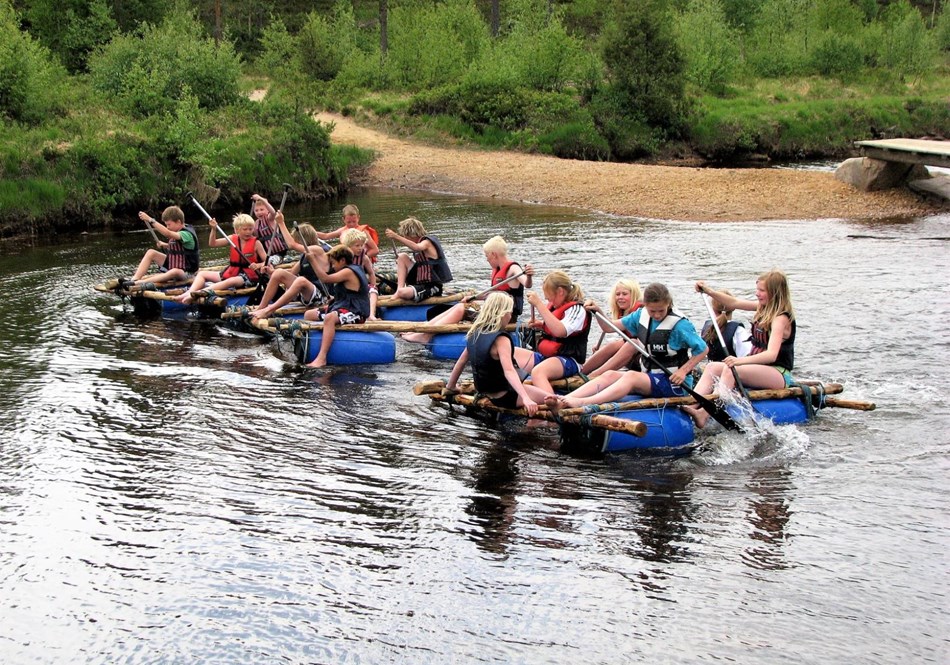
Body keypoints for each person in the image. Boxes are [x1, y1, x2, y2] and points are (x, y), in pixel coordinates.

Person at [545, 283, 708, 412]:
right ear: (646, 306)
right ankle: (564, 400)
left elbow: (702, 349)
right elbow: (609, 327)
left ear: (669, 304)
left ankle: (582, 402)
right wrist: (598, 312)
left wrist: (683, 371)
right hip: (651, 377)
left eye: (661, 310)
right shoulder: (641, 314)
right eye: (653, 311)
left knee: (630, 377)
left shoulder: (680, 325)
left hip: (674, 384)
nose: (657, 315)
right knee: (609, 375)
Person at [683, 271, 797, 428]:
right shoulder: (762, 308)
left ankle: (704, 414)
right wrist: (708, 291)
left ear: (775, 292)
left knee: (731, 369)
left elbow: (771, 355)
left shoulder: (780, 319)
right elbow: (733, 303)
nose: (757, 294)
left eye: (762, 291)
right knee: (712, 367)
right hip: (759, 369)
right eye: (757, 289)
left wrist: (740, 361)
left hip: (778, 373)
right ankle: (691, 403)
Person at [401, 235, 533, 344]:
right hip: (493, 312)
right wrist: (474, 298)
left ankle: (426, 336)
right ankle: (424, 328)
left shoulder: (513, 269)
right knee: (461, 304)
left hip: (505, 317)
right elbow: (492, 294)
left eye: (487, 256)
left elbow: (526, 284)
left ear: (494, 254)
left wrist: (529, 275)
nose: (487, 259)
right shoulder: (496, 270)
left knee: (460, 309)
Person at [444, 292, 549, 416]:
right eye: (510, 312)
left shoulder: (474, 333)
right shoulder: (501, 339)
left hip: (486, 392)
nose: (510, 316)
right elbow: (509, 371)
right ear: (502, 314)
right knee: (555, 400)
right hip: (505, 396)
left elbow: (460, 363)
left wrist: (451, 387)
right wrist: (525, 398)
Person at [516, 270, 591, 394]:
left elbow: (561, 331)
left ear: (560, 292)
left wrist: (538, 304)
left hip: (568, 360)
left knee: (538, 372)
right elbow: (553, 325)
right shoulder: (556, 306)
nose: (547, 299)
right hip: (547, 357)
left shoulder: (577, 310)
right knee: (509, 353)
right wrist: (541, 325)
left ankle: (552, 404)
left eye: (549, 296)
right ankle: (512, 393)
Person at [250, 212, 328, 320]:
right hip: (307, 296)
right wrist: (271, 272)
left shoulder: (318, 250)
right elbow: (289, 275)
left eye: (296, 240)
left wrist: (281, 223)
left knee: (301, 280)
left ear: (302, 240)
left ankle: (269, 310)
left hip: (322, 297)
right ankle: (261, 308)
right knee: (279, 273)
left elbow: (292, 245)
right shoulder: (304, 256)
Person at [304, 244, 371, 368]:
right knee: (309, 314)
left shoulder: (348, 271)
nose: (333, 266)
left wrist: (312, 261)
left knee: (330, 318)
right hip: (343, 306)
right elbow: (349, 292)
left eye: (334, 263)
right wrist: (335, 299)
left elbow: (325, 278)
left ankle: (322, 357)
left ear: (342, 260)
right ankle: (314, 341)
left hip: (356, 312)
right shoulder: (346, 270)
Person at [175, 214, 266, 304]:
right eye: (245, 229)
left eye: (250, 229)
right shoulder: (232, 238)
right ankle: (188, 293)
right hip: (233, 271)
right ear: (237, 230)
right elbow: (213, 243)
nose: (248, 232)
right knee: (202, 274)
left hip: (248, 276)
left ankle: (200, 293)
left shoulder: (256, 243)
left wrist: (258, 265)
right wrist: (213, 229)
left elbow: (267, 261)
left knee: (231, 281)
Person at [120, 207, 199, 289]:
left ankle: (139, 283)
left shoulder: (186, 234)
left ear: (179, 222)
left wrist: (150, 220)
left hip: (187, 272)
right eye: (166, 225)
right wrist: (165, 245)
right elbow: (179, 248)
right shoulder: (177, 232)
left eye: (169, 224)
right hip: (174, 264)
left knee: (175, 271)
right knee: (151, 252)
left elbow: (168, 233)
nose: (167, 227)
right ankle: (135, 279)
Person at [579, 279, 643, 378]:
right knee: (615, 344)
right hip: (635, 355)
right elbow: (608, 327)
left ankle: (594, 376)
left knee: (632, 343)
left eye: (624, 294)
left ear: (633, 295)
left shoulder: (641, 312)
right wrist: (597, 310)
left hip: (645, 358)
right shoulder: (625, 314)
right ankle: (580, 371)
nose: (620, 297)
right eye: (618, 294)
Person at [384, 216, 453, 301]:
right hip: (420, 281)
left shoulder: (426, 242)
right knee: (402, 257)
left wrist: (396, 237)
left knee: (403, 293)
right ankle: (399, 289)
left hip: (432, 285)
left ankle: (401, 292)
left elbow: (416, 247)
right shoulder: (420, 242)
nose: (405, 238)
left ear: (412, 234)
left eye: (406, 236)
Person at [340, 227, 380, 321]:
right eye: (357, 246)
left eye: (362, 245)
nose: (360, 248)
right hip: (348, 290)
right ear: (348, 246)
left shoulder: (364, 258)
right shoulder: (342, 259)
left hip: (362, 287)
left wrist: (373, 285)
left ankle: (371, 314)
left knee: (373, 291)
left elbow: (371, 273)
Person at [316, 204, 380, 262]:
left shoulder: (363, 232)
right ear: (343, 219)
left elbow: (375, 250)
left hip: (362, 263)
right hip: (347, 261)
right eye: (349, 222)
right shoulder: (342, 231)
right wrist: (310, 232)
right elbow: (325, 236)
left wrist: (361, 258)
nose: (352, 224)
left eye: (354, 221)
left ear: (358, 218)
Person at [699, 289, 749, 362]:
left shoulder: (707, 327)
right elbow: (746, 356)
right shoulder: (738, 330)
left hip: (710, 368)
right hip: (730, 370)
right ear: (734, 308)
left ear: (713, 309)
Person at [250, 193, 288, 267]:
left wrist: (261, 199)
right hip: (265, 255)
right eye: (256, 210)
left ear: (267, 210)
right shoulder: (255, 224)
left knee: (270, 261)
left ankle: (261, 265)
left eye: (262, 209)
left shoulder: (270, 219)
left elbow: (273, 212)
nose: (259, 212)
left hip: (278, 254)